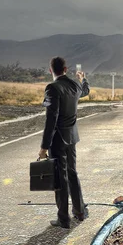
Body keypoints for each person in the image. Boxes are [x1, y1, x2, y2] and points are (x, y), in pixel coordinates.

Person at [39, 56, 90, 229]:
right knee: (73, 173)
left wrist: (44, 147)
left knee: (61, 178)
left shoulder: (52, 88)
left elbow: (50, 119)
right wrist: (83, 79)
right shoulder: (75, 85)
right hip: (72, 137)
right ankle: (80, 211)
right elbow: (85, 91)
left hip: (58, 140)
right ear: (66, 69)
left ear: (50, 70)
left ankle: (63, 219)